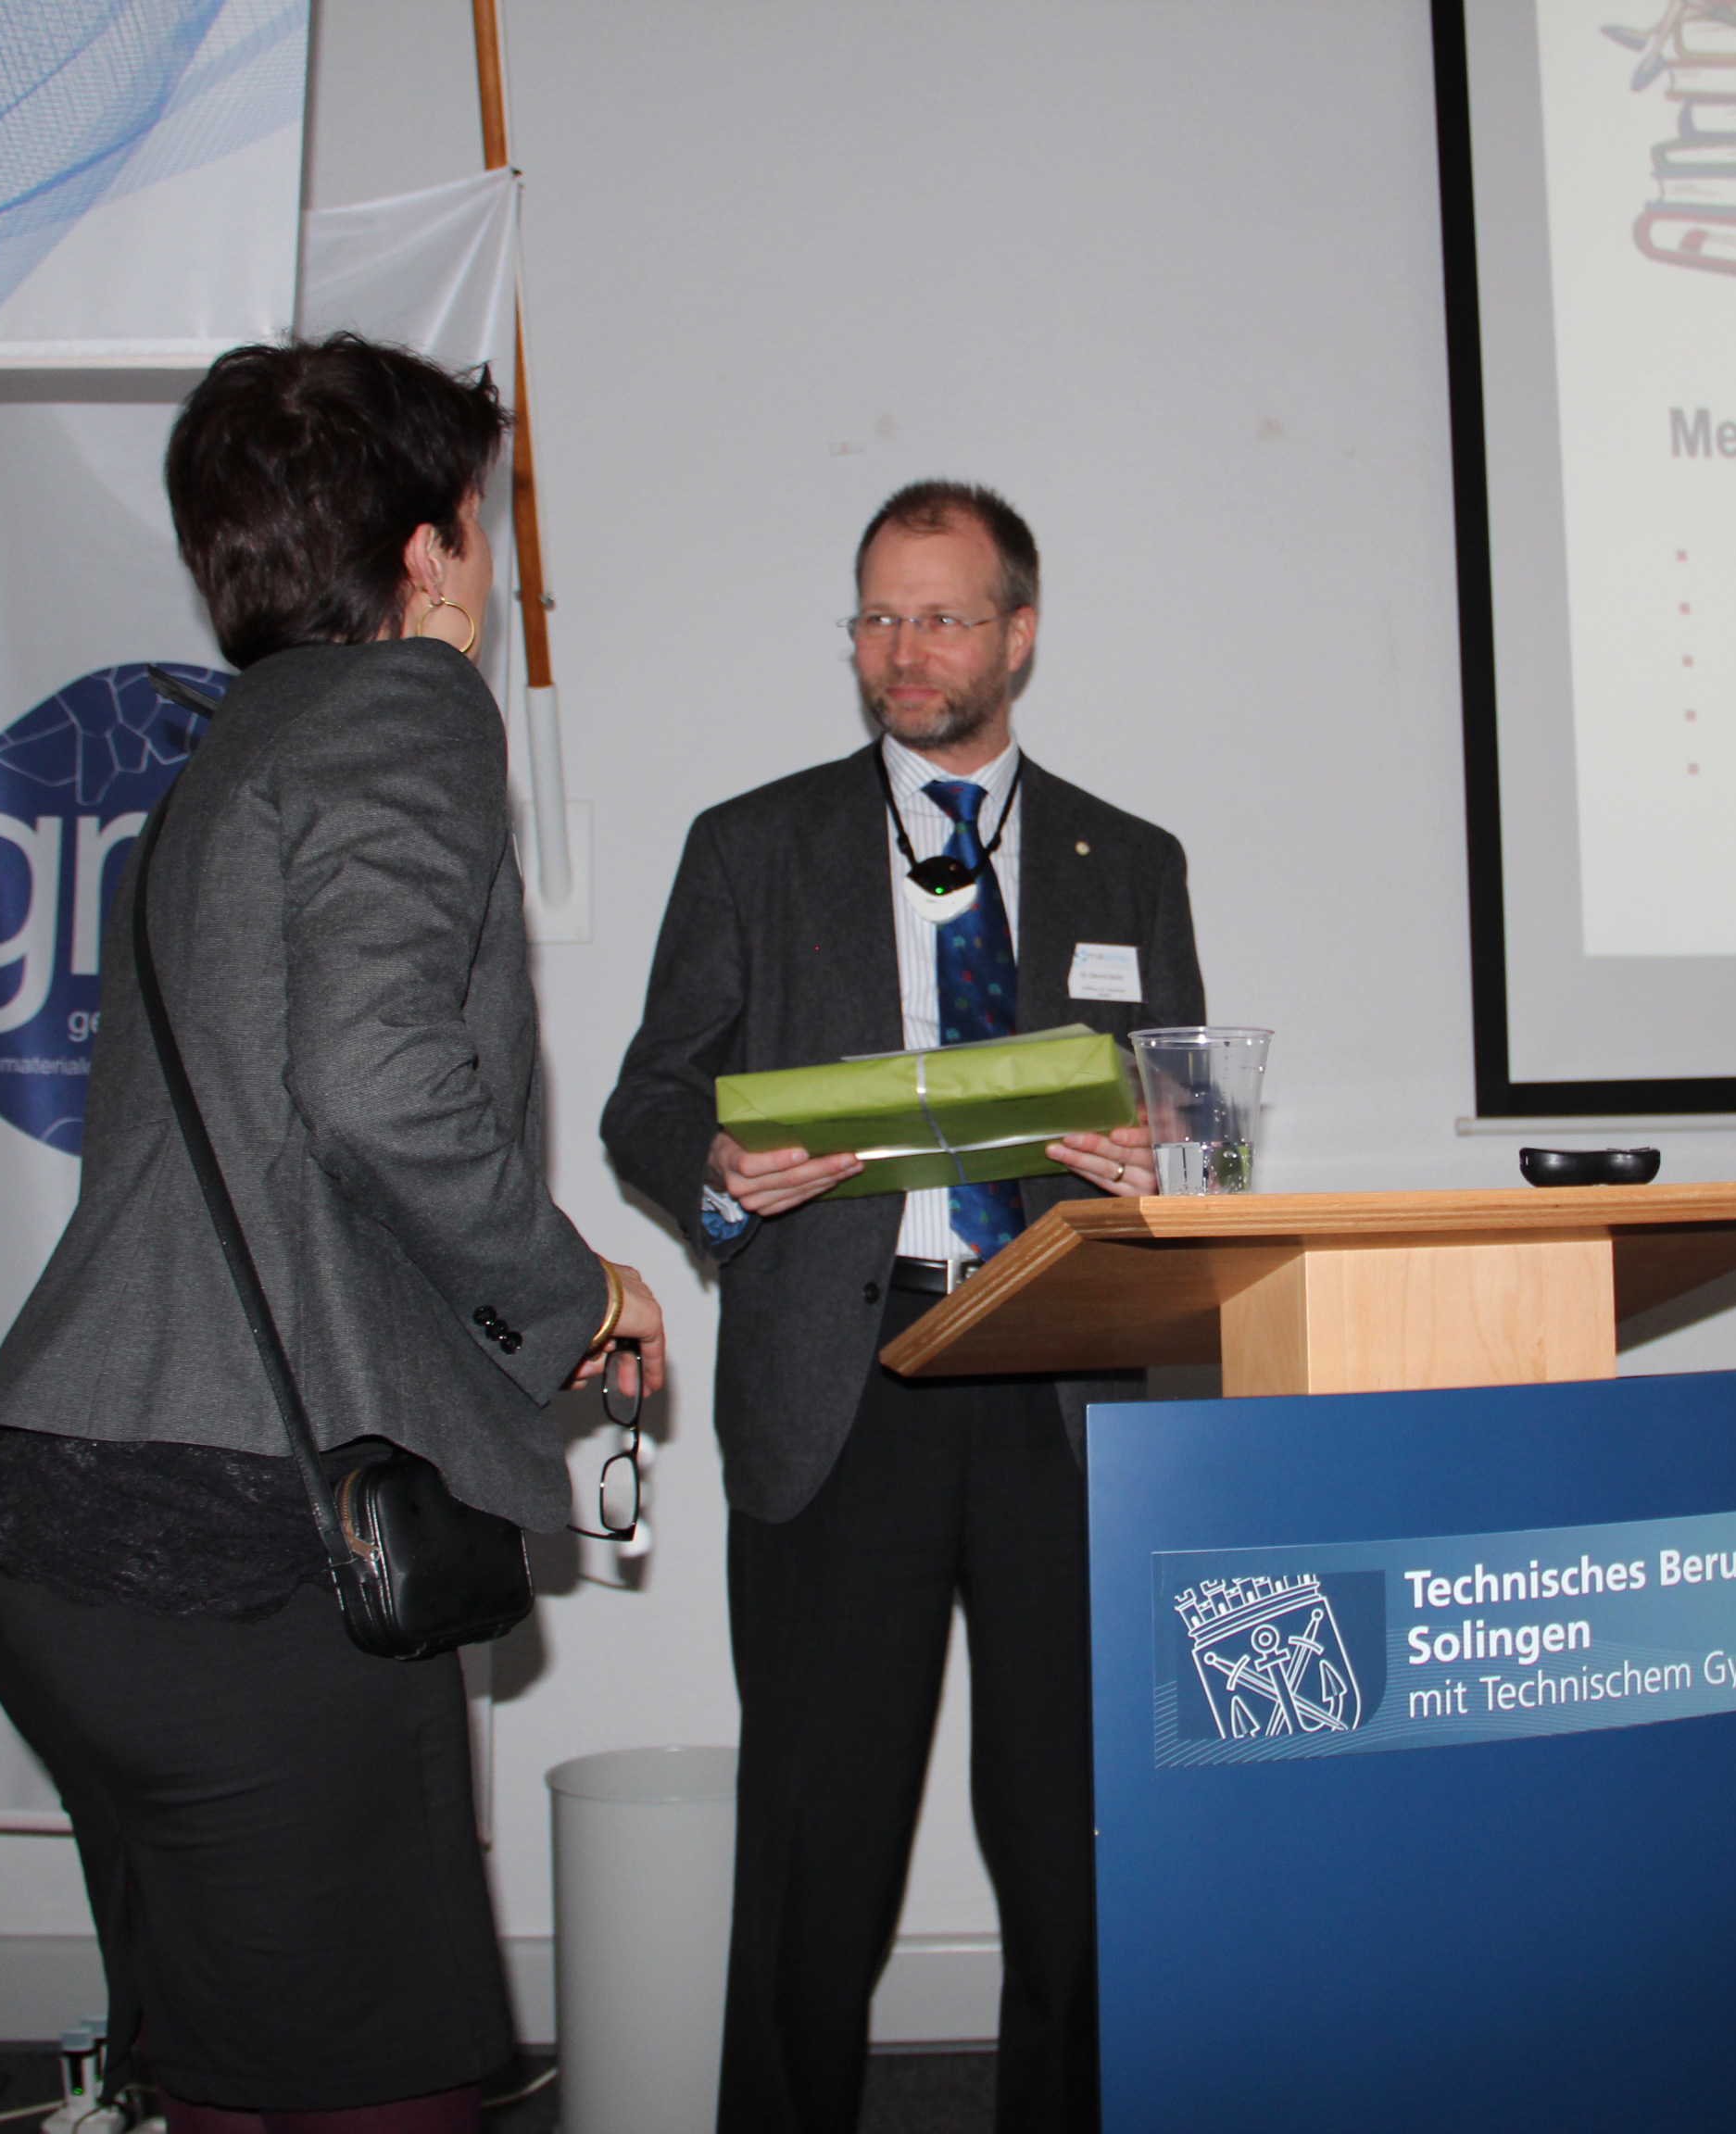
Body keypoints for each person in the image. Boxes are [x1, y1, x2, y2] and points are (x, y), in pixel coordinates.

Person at [0, 334, 665, 2133]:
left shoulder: (217, 764)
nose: (483, 565)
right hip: (247, 1552)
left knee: (233, 2073)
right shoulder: (409, 703)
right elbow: (373, 1078)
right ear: (427, 549)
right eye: (478, 523)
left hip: (65, 1532)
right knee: (379, 2086)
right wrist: (579, 1292)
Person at [602, 480, 1204, 2134]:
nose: (903, 650)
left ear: (1019, 633)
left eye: (941, 616)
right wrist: (716, 1167)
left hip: (1064, 1383)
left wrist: (1162, 1162)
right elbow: (649, 1096)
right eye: (877, 616)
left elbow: (1189, 1113)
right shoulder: (752, 846)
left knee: (1080, 1852)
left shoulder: (1128, 861)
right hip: (840, 1387)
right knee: (818, 1852)